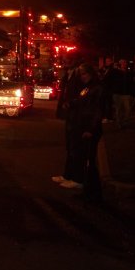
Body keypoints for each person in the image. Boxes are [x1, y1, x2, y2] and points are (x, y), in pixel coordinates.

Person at [67, 63, 105, 203]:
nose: (83, 77)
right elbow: (82, 102)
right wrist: (72, 104)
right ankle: (88, 190)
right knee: (84, 159)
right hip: (82, 125)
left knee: (90, 161)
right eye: (81, 74)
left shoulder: (97, 88)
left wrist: (91, 129)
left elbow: (97, 110)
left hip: (89, 128)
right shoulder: (88, 88)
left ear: (91, 73)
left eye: (85, 74)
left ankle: (94, 193)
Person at [52, 53, 84, 187]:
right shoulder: (68, 74)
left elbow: (83, 94)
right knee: (70, 146)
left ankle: (77, 179)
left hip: (77, 114)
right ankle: (67, 175)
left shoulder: (78, 74)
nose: (63, 63)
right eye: (63, 60)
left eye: (66, 60)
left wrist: (72, 103)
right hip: (70, 114)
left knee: (76, 147)